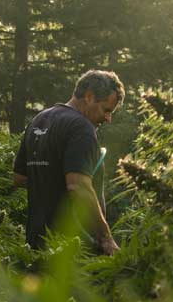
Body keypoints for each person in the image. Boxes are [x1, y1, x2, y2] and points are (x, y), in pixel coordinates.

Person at [13, 69, 123, 254]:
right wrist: (105, 238)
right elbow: (78, 186)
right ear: (89, 97)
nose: (108, 118)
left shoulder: (38, 120)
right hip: (72, 248)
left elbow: (19, 178)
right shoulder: (81, 128)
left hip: (35, 243)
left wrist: (53, 179)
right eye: (106, 110)